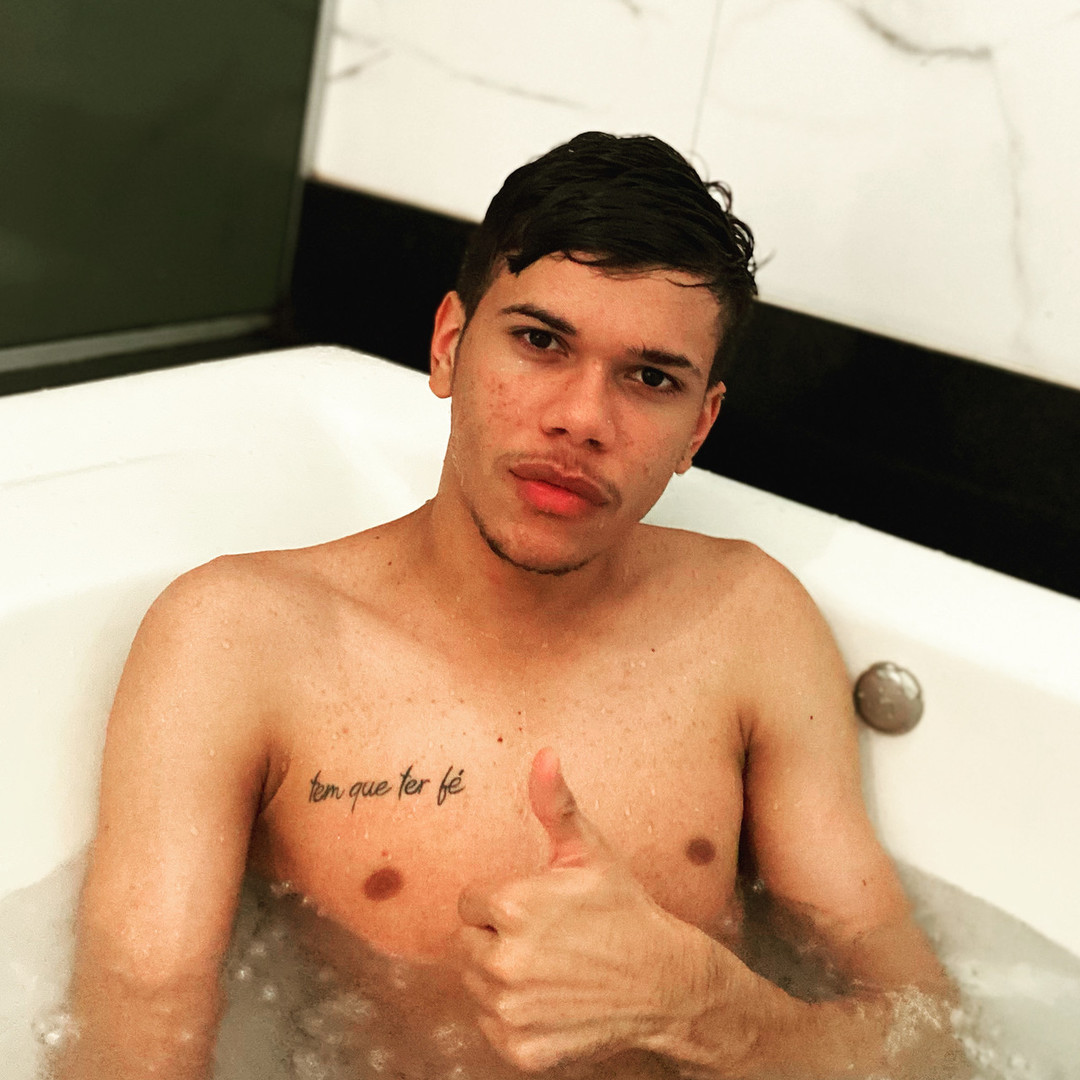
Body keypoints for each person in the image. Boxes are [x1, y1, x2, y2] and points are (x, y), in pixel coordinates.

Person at [60, 132, 966, 1080]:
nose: (582, 418)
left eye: (651, 378)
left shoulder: (751, 624)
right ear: (449, 344)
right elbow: (131, 1042)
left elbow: (933, 1040)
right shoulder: (238, 641)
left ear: (699, 426)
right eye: (540, 342)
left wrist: (707, 1006)